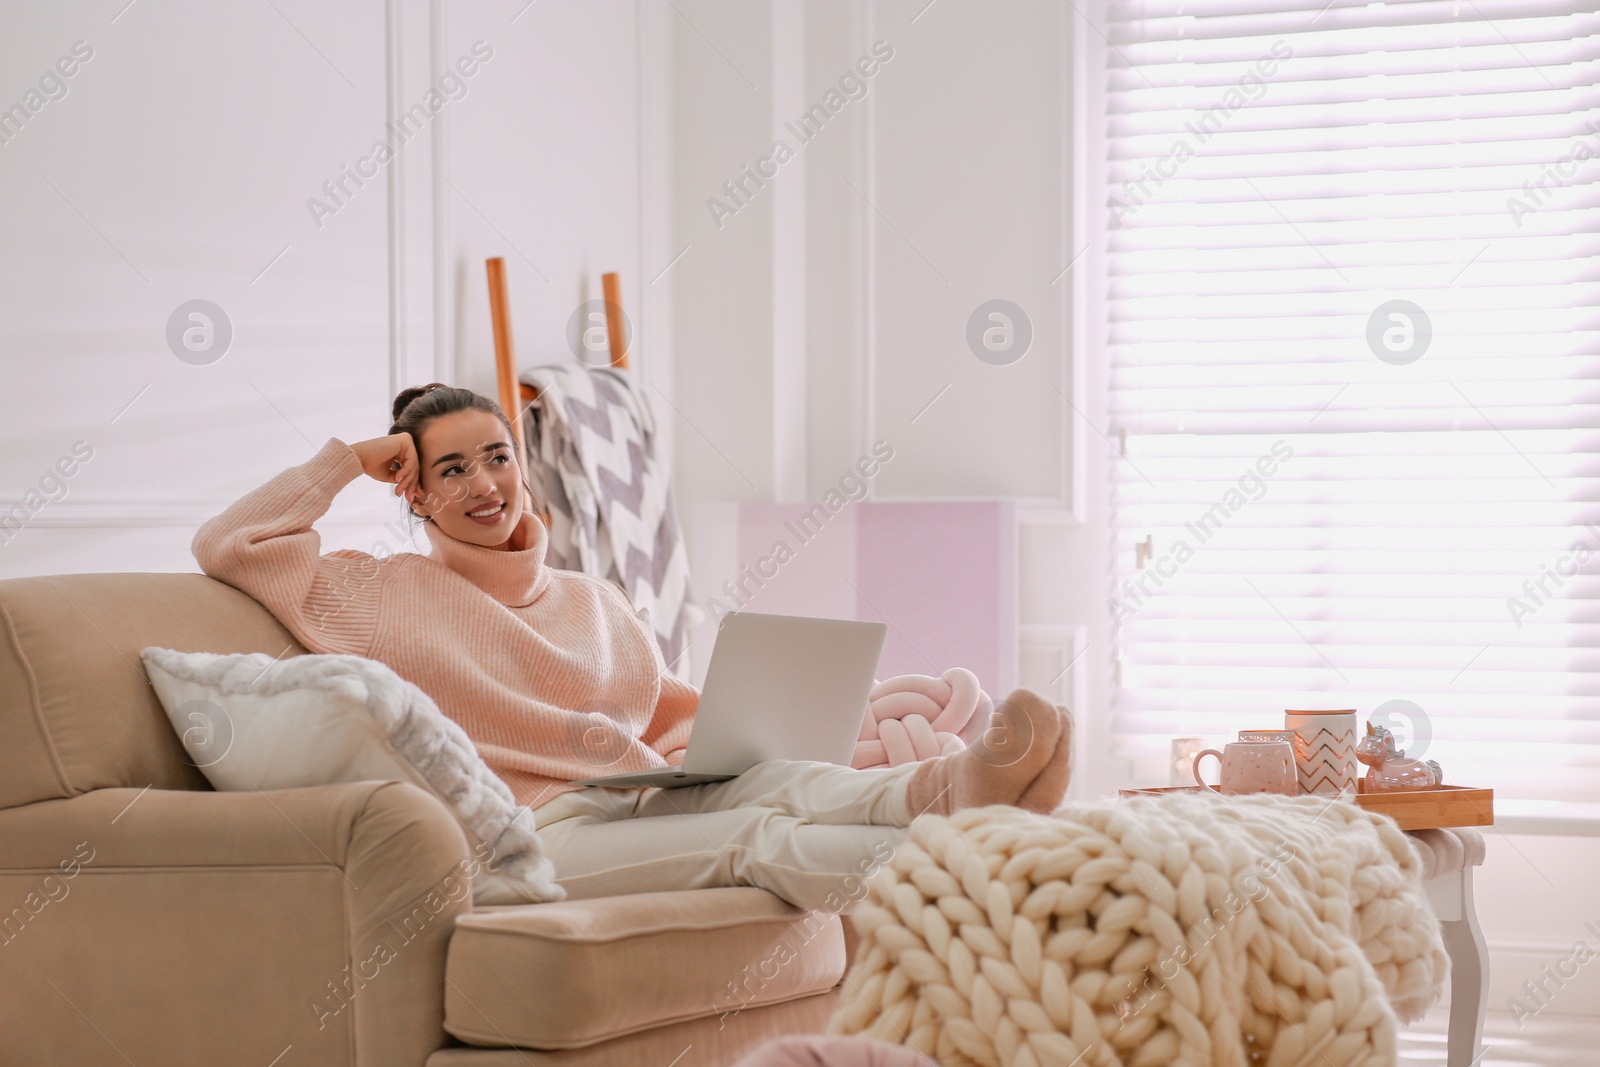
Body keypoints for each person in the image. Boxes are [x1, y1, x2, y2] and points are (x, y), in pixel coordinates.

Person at [192, 383, 1073, 909]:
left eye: (496, 456)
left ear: (524, 465)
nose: (484, 484)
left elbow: (670, 722)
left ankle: (954, 788)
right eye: (450, 469)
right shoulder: (375, 594)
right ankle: (962, 864)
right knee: (754, 839)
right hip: (532, 836)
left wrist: (711, 756)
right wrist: (350, 459)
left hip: (638, 795)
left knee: (773, 783)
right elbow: (233, 544)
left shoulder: (594, 598)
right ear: (414, 494)